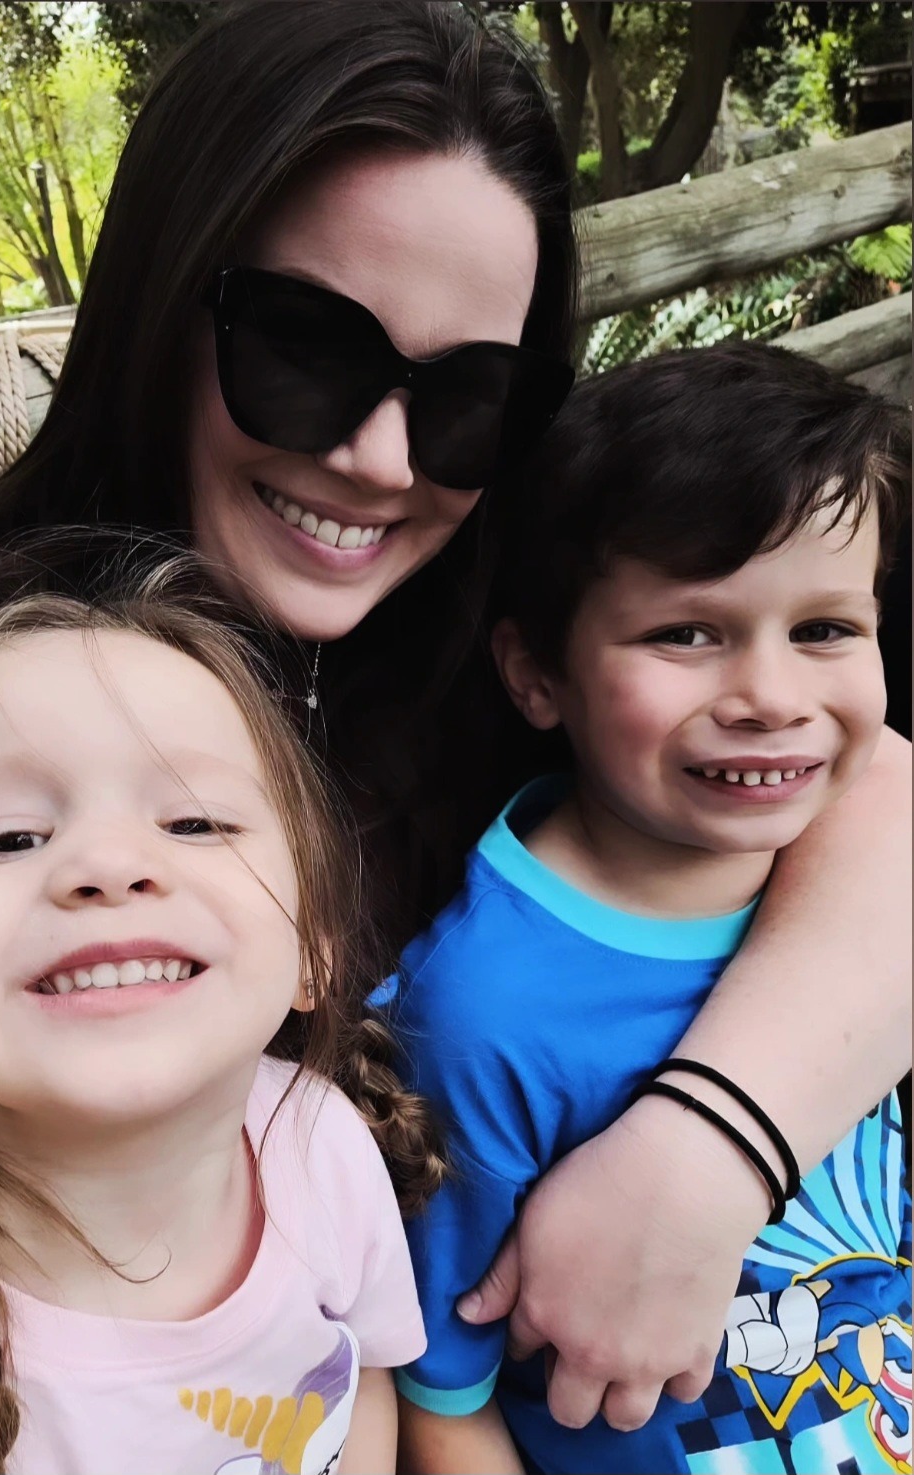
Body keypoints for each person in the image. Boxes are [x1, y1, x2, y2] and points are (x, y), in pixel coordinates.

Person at [0, 0, 907, 1430]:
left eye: (470, 398)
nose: (384, 458)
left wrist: (711, 1147)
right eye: (306, 350)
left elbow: (876, 792)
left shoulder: (504, 624)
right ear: (160, 304)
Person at [391, 344, 912, 1475]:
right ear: (536, 675)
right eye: (686, 633)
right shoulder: (477, 1015)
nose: (772, 697)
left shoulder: (853, 871)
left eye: (825, 629)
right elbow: (440, 1397)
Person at [0, 558, 452, 1475]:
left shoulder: (325, 1147)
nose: (110, 864)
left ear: (313, 945)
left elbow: (359, 1378)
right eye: (9, 836)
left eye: (196, 822)